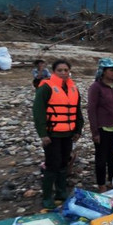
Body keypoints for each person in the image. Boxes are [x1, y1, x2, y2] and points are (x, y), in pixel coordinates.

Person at [33, 59, 83, 209]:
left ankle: (61, 193)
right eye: (59, 70)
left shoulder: (73, 89)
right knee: (51, 165)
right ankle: (47, 197)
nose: (63, 73)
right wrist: (43, 134)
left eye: (66, 70)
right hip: (52, 135)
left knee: (63, 163)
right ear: (54, 72)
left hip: (68, 134)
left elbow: (77, 111)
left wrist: (78, 130)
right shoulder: (46, 87)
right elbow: (38, 112)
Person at [88, 57, 113, 192]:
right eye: (111, 70)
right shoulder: (96, 87)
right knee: (101, 159)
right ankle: (101, 185)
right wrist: (95, 132)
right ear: (103, 71)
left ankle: (112, 180)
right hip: (103, 129)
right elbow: (92, 110)